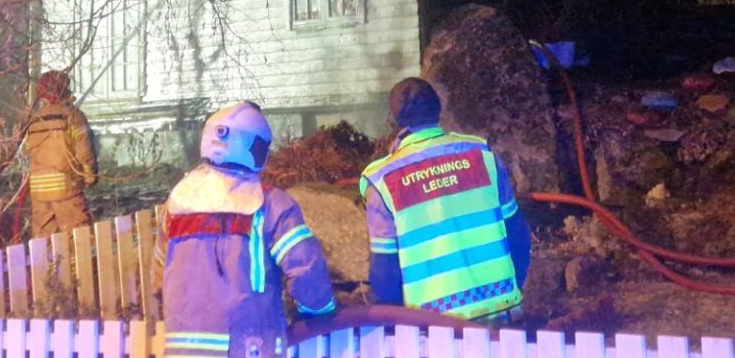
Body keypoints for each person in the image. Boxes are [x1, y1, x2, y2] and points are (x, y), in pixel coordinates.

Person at [161, 102, 336, 358]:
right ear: (257, 148)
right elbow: (307, 272)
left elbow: (159, 275)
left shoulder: (177, 204)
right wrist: (321, 311)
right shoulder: (271, 204)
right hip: (248, 347)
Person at [359, 78, 529, 321]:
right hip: (501, 314)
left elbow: (385, 273)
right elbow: (518, 237)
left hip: (434, 327)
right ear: (438, 109)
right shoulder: (483, 157)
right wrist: (509, 292)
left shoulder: (383, 181)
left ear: (395, 120)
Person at [23, 69, 98, 235]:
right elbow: (84, 150)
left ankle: (47, 263)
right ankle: (72, 262)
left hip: (39, 191)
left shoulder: (35, 120)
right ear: (65, 90)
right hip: (66, 188)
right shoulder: (73, 116)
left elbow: (29, 151)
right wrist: (89, 176)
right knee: (76, 239)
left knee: (44, 243)